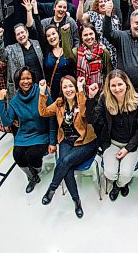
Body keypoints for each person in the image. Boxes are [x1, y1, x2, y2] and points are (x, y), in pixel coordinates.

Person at [38, 76, 99, 218]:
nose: (68, 90)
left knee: (63, 162)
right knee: (68, 169)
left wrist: (80, 89)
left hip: (85, 142)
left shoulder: (81, 99)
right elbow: (43, 112)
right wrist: (42, 93)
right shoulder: (59, 103)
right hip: (66, 141)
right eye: (65, 87)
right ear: (62, 90)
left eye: (70, 86)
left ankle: (51, 190)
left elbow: (85, 113)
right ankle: (76, 201)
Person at [0, 66, 55, 193]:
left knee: (32, 155)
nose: (26, 81)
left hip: (42, 134)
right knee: (17, 155)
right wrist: (1, 101)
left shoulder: (42, 93)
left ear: (33, 79)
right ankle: (32, 177)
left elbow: (52, 116)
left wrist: (52, 141)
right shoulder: (15, 101)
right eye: (22, 79)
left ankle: (36, 171)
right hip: (24, 135)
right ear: (18, 82)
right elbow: (7, 122)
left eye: (28, 78)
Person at [91, 70, 138, 201]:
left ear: (126, 84)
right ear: (108, 87)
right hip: (112, 143)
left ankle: (120, 185)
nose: (117, 88)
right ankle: (117, 182)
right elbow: (93, 119)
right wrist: (91, 98)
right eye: (113, 85)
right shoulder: (104, 99)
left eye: (120, 84)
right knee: (110, 174)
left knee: (125, 174)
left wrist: (127, 149)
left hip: (132, 145)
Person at [0, 18, 44, 101]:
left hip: (39, 87)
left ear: (27, 32)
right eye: (18, 34)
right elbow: (0, 56)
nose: (21, 36)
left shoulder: (36, 44)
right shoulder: (11, 49)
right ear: (15, 37)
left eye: (22, 32)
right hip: (22, 90)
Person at [62, 22, 111, 91]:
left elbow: (109, 73)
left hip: (101, 91)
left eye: (91, 34)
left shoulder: (103, 52)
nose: (89, 37)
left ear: (95, 35)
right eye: (85, 35)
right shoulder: (77, 52)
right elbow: (67, 55)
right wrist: (65, 33)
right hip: (82, 90)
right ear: (81, 38)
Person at [77, 0, 120, 68]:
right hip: (99, 53)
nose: (103, 3)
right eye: (101, 2)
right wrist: (81, 2)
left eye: (105, 1)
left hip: (114, 54)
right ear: (97, 4)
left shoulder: (115, 18)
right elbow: (80, 18)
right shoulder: (93, 15)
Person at [40, 24, 74, 101]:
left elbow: (72, 69)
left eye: (53, 33)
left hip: (67, 89)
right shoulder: (46, 53)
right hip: (52, 91)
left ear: (58, 34)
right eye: (48, 36)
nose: (51, 37)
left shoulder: (66, 50)